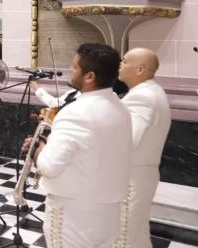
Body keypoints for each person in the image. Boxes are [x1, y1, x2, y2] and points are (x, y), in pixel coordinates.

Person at [26, 43, 132, 247]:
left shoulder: (76, 112)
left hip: (74, 214)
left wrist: (38, 150)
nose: (70, 71)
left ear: (89, 76)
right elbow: (92, 149)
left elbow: (48, 167)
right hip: (109, 209)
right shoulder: (121, 108)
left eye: (74, 67)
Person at [118, 48, 172, 248]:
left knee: (123, 238)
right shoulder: (151, 91)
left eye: (124, 61)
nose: (120, 65)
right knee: (137, 236)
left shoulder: (142, 96)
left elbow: (127, 141)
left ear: (140, 69)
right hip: (141, 174)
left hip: (131, 178)